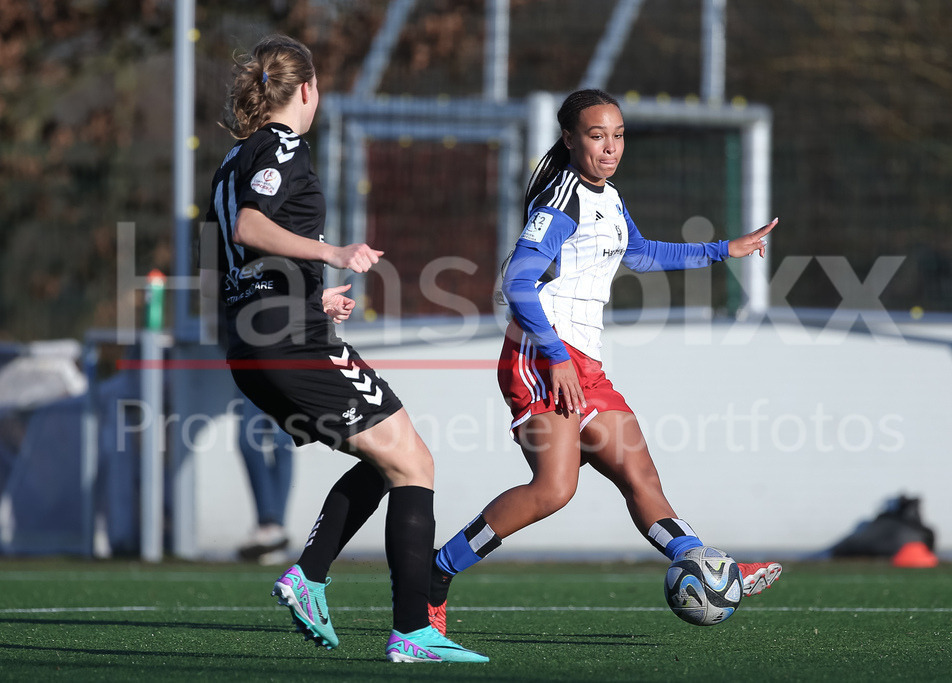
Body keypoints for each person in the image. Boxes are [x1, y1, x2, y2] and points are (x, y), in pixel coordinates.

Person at [426, 88, 783, 634]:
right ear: (570, 139)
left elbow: (638, 252)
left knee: (641, 476)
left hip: (584, 363)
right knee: (554, 489)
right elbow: (517, 281)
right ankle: (436, 572)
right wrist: (554, 356)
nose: (610, 147)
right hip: (541, 357)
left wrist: (721, 249)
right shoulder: (560, 201)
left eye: (618, 135)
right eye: (597, 136)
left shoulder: (607, 197)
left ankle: (707, 567)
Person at [202, 34, 486, 663]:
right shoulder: (279, 144)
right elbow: (252, 226)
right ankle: (411, 631)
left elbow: (235, 259)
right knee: (415, 464)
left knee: (394, 461)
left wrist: (311, 295)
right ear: (307, 90)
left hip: (255, 340)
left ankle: (311, 574)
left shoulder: (231, 159)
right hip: (286, 340)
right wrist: (332, 254)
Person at [234, 392, 293, 562]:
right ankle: (270, 528)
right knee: (247, 441)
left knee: (282, 442)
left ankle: (273, 528)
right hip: (250, 372)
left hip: (286, 373)